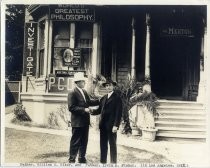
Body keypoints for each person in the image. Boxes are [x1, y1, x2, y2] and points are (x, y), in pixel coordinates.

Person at [68, 72, 99, 163]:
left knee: (84, 141)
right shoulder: (72, 93)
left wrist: (100, 101)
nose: (84, 83)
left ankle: (82, 158)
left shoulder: (84, 92)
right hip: (77, 122)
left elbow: (89, 102)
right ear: (77, 82)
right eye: (83, 81)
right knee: (75, 141)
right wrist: (84, 110)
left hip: (85, 121)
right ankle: (72, 159)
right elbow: (71, 107)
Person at [91, 79, 122, 163]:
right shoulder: (104, 98)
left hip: (112, 126)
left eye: (110, 85)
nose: (108, 87)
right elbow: (99, 110)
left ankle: (113, 163)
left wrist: (116, 125)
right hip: (103, 126)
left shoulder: (117, 98)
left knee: (112, 145)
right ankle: (103, 162)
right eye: (107, 86)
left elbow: (118, 113)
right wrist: (91, 111)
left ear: (113, 86)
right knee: (103, 145)